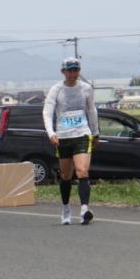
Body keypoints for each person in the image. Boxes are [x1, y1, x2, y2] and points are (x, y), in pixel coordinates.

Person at [44, 57, 99, 226]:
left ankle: (84, 209)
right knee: (66, 175)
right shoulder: (56, 89)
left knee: (82, 171)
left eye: (76, 70)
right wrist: (51, 132)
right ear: (63, 72)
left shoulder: (86, 88)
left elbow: (91, 110)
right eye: (70, 70)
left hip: (82, 134)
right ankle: (66, 208)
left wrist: (95, 132)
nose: (73, 74)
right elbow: (47, 112)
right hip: (63, 136)